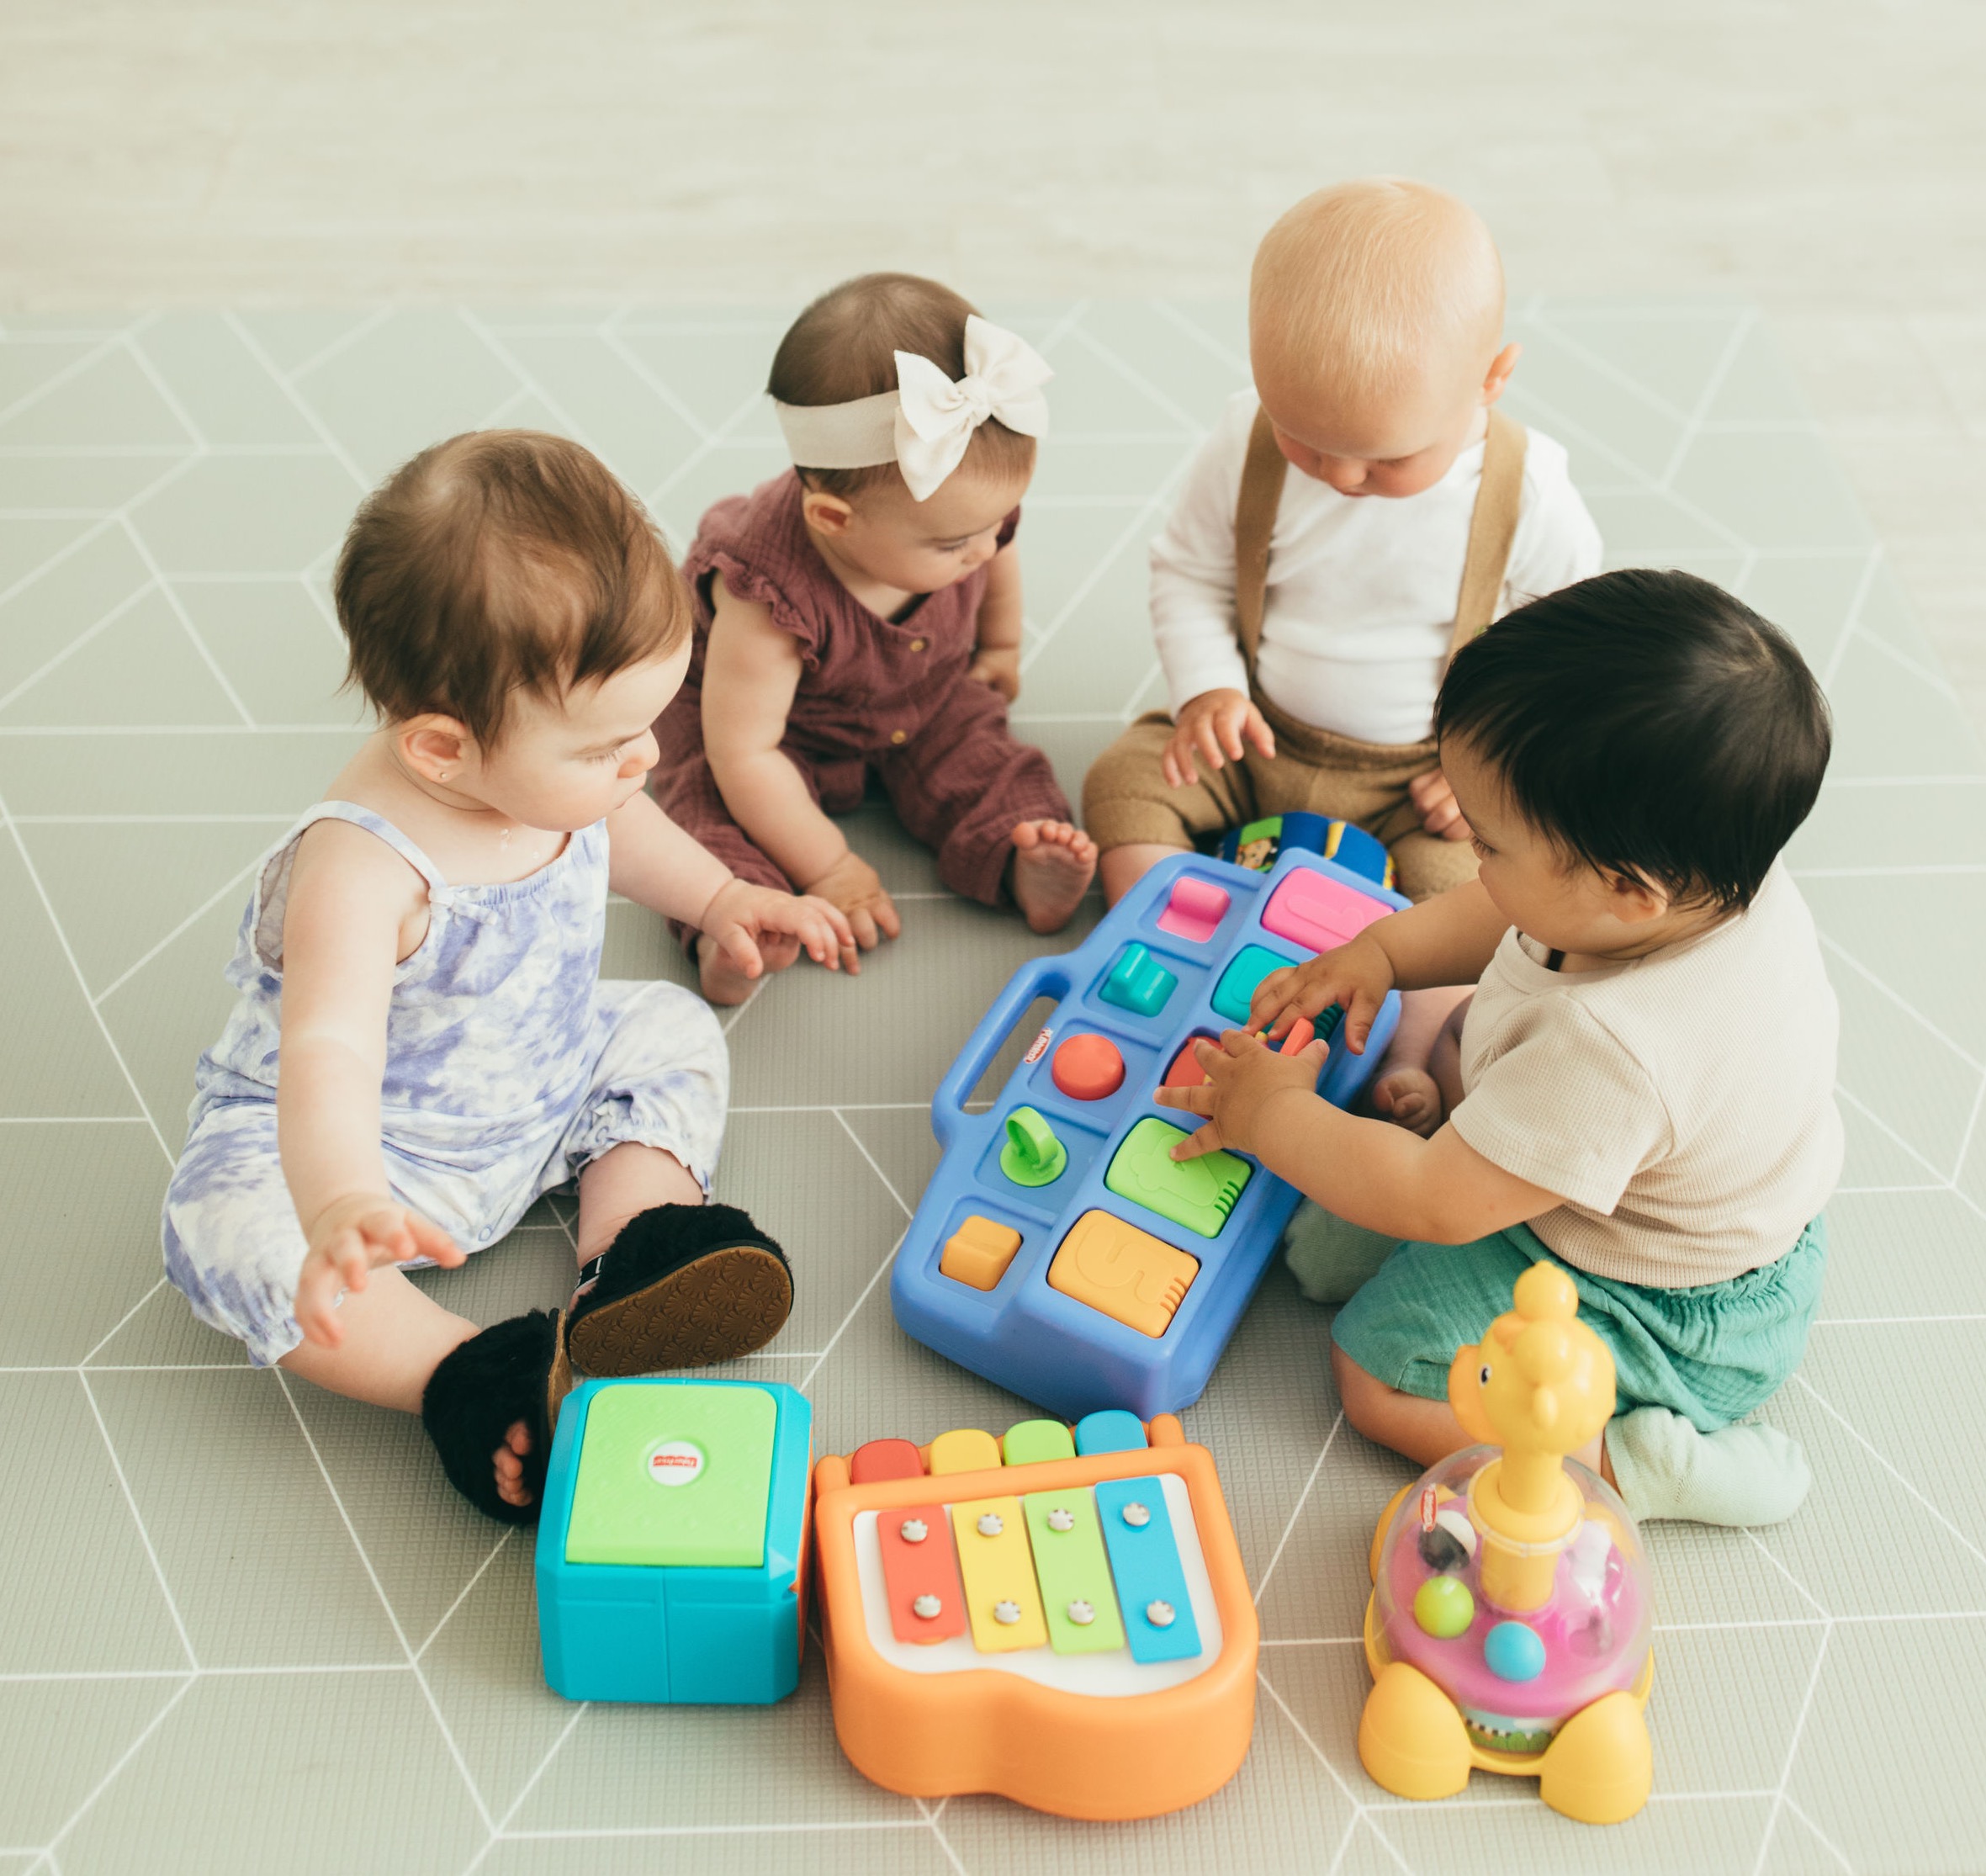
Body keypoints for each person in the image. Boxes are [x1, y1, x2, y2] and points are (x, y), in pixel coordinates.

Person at [162, 432, 850, 1524]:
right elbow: (326, 1050)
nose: (646, 762)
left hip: (545, 1069)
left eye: (642, 730)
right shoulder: (363, 864)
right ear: (443, 749)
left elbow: (620, 821)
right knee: (222, 1232)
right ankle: (463, 1372)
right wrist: (340, 1195)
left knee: (669, 1025)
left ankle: (639, 1243)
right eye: (605, 746)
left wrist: (717, 897)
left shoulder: (560, 775)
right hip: (374, 1148)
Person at [1157, 570, 1840, 1526]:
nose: (1470, 858)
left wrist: (1270, 1113)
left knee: (1373, 1372)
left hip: (1658, 1305)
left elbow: (1431, 1202)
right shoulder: (1701, 875)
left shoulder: (1614, 1049)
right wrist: (1382, 951)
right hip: (1628, 1191)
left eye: (1488, 842)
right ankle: (1412, 1149)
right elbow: (1500, 912)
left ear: (1627, 891)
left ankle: (1639, 1465)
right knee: (1328, 1224)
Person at [1084, 178, 1601, 1116]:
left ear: (1490, 378)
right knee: (1122, 782)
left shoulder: (1528, 492)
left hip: (1420, 777)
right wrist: (1208, 690)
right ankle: (1163, 949)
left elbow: (1569, 656)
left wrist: (1500, 766)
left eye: (1385, 459)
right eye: (1309, 444)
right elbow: (1189, 570)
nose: (1343, 477)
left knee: (1471, 892)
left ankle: (1404, 1054)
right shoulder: (1244, 440)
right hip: (1258, 736)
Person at [654, 273, 1097, 1004]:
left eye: (999, 521)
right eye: (959, 541)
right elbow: (746, 754)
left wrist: (999, 651)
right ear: (834, 521)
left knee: (981, 753)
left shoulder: (962, 521)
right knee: (704, 809)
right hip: (766, 734)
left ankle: (1020, 858)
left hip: (921, 693)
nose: (984, 549)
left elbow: (998, 557)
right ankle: (730, 929)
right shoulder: (765, 596)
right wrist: (830, 867)